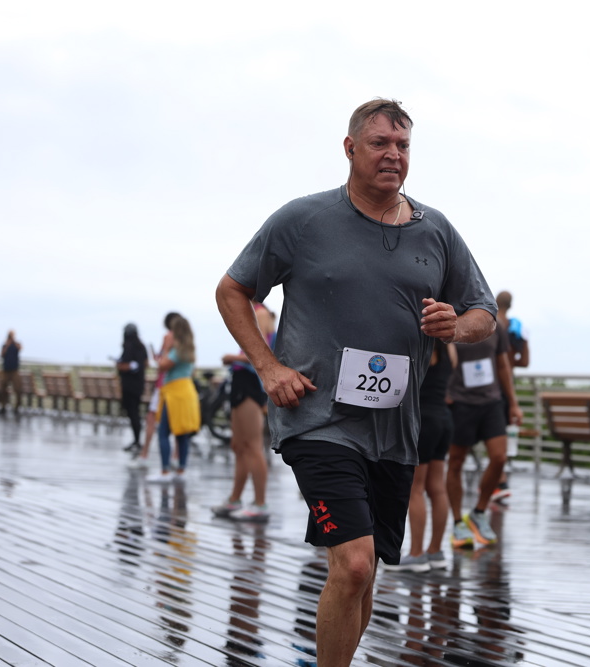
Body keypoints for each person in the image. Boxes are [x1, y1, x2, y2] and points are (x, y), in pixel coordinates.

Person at [215, 98, 497, 667]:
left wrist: (455, 324)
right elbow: (232, 291)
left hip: (394, 429)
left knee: (363, 575)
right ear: (350, 149)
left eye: (403, 145)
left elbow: (483, 313)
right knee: (355, 563)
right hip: (317, 418)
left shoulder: (435, 229)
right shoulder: (303, 220)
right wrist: (269, 368)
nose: (393, 155)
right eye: (379, 143)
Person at [446, 318, 523, 548]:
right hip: (459, 402)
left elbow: (503, 365)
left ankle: (478, 512)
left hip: (491, 401)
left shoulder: (494, 325)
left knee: (499, 457)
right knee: (456, 462)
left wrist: (513, 403)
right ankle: (458, 522)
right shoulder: (450, 320)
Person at [383, 343, 456, 572]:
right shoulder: (449, 348)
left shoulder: (422, 345)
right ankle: (435, 551)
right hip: (444, 419)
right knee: (438, 488)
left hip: (423, 420)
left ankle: (416, 554)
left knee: (416, 489)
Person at [212, 302, 276, 522]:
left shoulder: (261, 313)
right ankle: (235, 499)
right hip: (239, 381)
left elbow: (261, 354)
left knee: (252, 445)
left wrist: (232, 358)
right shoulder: (252, 312)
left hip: (250, 382)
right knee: (238, 445)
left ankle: (260, 503)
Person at [147, 313, 200, 483]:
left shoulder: (176, 351)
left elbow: (162, 366)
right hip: (187, 391)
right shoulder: (189, 350)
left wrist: (166, 348)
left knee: (163, 432)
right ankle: (181, 470)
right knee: (182, 434)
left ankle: (165, 471)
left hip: (175, 393)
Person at [491, 290, 529, 503]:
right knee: (500, 437)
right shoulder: (515, 330)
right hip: (507, 389)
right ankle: (499, 481)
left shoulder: (490, 324)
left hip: (485, 389)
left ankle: (499, 481)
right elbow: (524, 362)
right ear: (511, 305)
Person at [117, 323, 148, 452]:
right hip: (139, 385)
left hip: (129, 386)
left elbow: (123, 365)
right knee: (136, 413)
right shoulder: (142, 347)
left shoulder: (128, 346)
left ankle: (136, 441)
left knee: (133, 414)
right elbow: (145, 363)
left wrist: (122, 365)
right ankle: (137, 440)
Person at [0, 330, 23, 414]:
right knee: (3, 388)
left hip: (14, 370)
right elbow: (2, 354)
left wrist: (14, 342)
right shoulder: (5, 345)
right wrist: (7, 345)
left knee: (18, 388)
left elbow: (20, 348)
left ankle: (17, 407)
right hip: (5, 370)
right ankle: (3, 405)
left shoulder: (16, 344)